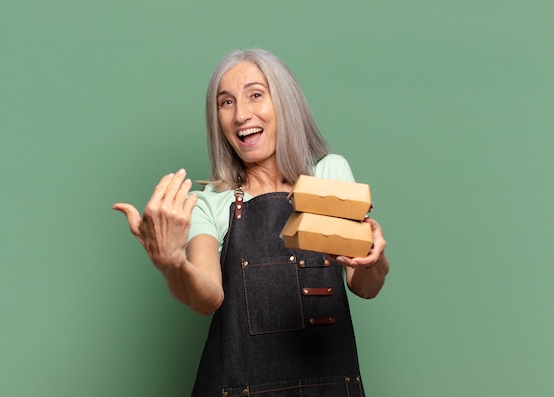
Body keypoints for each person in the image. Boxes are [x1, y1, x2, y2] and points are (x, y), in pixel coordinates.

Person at [113, 48, 389, 396]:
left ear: (284, 103)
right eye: (225, 102)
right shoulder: (209, 202)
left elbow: (365, 285)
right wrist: (171, 264)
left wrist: (372, 258)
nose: (241, 114)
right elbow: (206, 298)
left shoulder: (329, 174)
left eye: (255, 95)